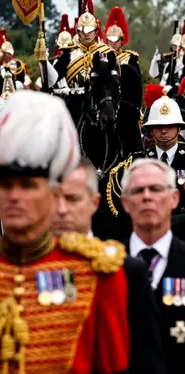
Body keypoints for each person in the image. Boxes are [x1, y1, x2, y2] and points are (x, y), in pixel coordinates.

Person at [0, 91, 130, 373]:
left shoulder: (99, 275)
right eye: (5, 186)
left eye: (27, 186)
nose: (14, 197)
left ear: (54, 193)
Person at [50, 157, 167, 374]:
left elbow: (147, 361)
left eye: (72, 199)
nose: (62, 209)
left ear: (94, 202)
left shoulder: (125, 270)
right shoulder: (27, 266)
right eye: (53, 199)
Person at [119, 158, 185, 374]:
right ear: (125, 203)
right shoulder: (108, 265)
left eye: (156, 189)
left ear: (174, 199)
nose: (147, 197)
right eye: (138, 191)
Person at [108, 91, 185, 241]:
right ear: (150, 129)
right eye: (158, 126)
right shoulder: (137, 163)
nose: (164, 131)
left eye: (169, 126)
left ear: (178, 128)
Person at [53, 0, 114, 90]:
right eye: (83, 30)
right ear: (78, 31)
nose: (86, 33)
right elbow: (53, 80)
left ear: (96, 31)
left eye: (90, 30)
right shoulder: (69, 55)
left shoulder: (107, 52)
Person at [105, 6, 140, 71]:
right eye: (111, 40)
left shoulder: (130, 58)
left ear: (121, 41)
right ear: (107, 41)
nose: (114, 43)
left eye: (117, 40)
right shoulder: (101, 57)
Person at [150, 22, 184, 87]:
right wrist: (156, 61)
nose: (176, 48)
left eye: (178, 46)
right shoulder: (167, 59)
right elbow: (155, 74)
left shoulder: (182, 60)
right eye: (174, 45)